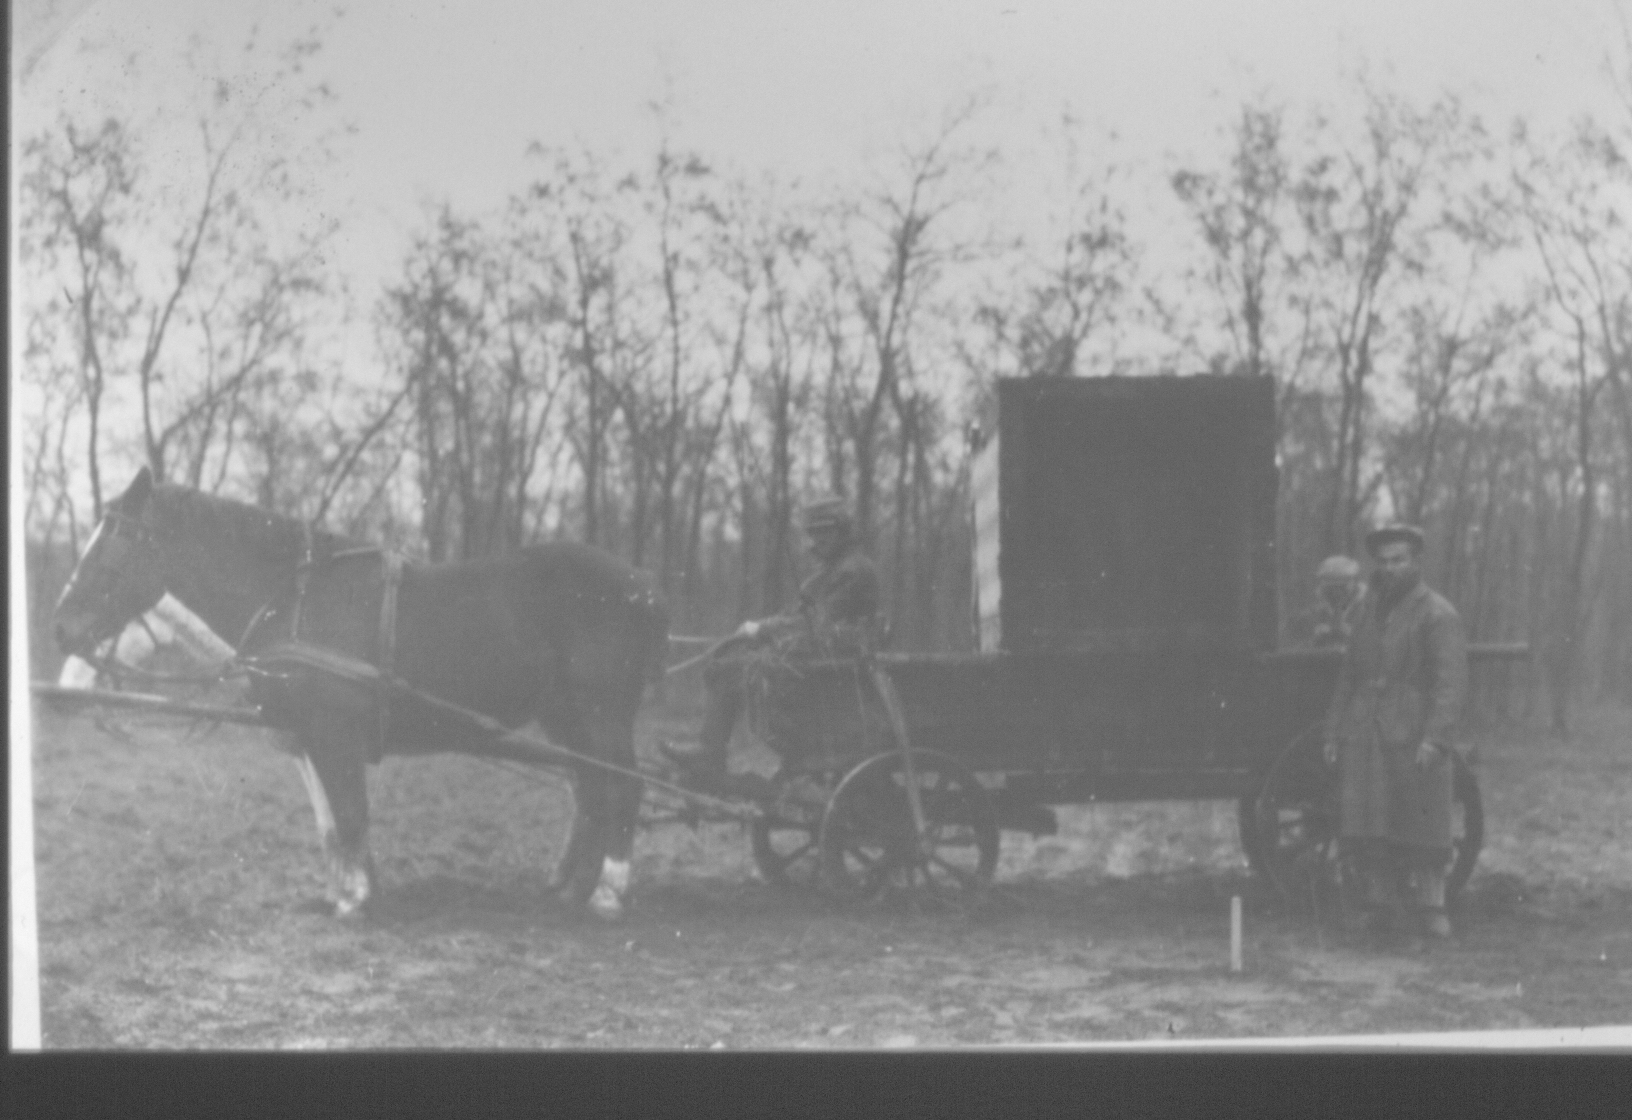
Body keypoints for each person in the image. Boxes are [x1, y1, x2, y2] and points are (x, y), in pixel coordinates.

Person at [662, 496, 882, 786]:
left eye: (826, 531)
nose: (819, 539)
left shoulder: (852, 570)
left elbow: (818, 625)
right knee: (727, 658)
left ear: (842, 530)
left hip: (831, 666)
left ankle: (710, 753)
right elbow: (795, 617)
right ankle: (711, 751)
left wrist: (761, 629)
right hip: (821, 660)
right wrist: (758, 630)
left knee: (727, 669)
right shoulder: (832, 571)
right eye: (814, 532)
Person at [1323, 524, 1468, 944]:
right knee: (1372, 819)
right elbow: (1348, 677)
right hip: (1367, 730)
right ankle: (1379, 903)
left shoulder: (1438, 613)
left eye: (1399, 560)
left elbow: (1450, 684)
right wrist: (1334, 730)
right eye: (1383, 561)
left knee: (1422, 819)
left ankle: (1432, 908)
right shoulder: (1368, 613)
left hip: (1413, 730)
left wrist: (1435, 738)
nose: (1390, 568)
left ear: (1416, 562)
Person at [1310, 554, 1364, 648]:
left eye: (1342, 587)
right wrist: (1317, 635)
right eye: (1331, 587)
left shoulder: (1367, 605)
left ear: (1354, 581)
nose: (1337, 592)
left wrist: (1354, 634)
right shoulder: (1316, 608)